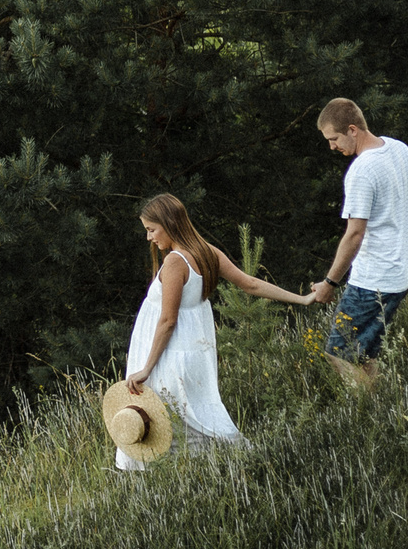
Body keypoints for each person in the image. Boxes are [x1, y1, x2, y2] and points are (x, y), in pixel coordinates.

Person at [118, 191, 316, 469]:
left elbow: (167, 321)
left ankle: (241, 464)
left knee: (165, 419)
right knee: (197, 412)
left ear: (169, 223)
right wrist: (302, 298)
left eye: (152, 230)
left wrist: (147, 368)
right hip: (194, 351)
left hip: (170, 353)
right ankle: (228, 467)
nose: (149, 238)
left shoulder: (176, 261)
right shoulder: (207, 252)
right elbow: (251, 284)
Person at [307, 97, 408, 383]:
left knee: (340, 353)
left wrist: (329, 284)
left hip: (374, 281)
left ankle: (364, 415)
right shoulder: (396, 148)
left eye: (334, 139)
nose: (332, 146)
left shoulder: (361, 171)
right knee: (363, 353)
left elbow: (354, 234)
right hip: (401, 274)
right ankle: (380, 405)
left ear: (352, 130)